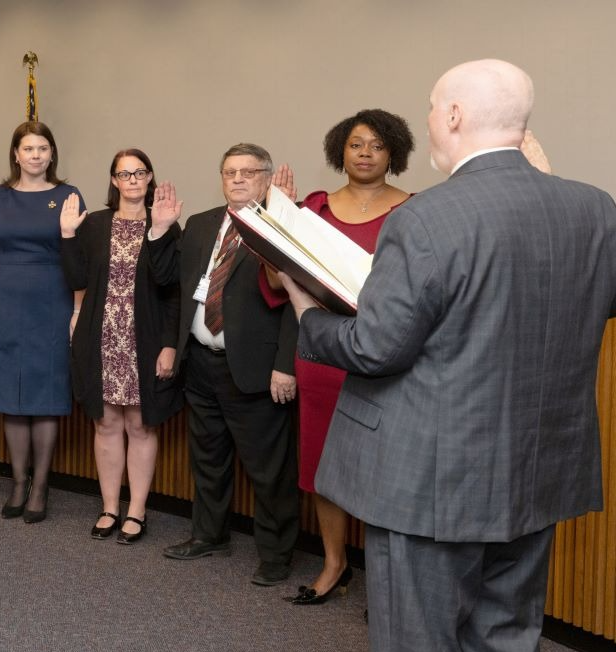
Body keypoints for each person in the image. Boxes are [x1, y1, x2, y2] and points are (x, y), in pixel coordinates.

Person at [273, 59, 616, 652]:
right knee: (509, 638)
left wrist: (306, 314)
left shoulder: (425, 218)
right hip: (537, 470)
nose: (429, 121)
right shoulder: (595, 210)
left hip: (433, 482)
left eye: (432, 108)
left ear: (454, 115)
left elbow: (375, 348)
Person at [262, 110, 414, 605]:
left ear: (394, 153)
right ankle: (334, 564)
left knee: (382, 469)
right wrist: (275, 223)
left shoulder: (415, 212)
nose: (365, 152)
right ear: (339, 151)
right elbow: (274, 285)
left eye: (376, 144)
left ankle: (383, 580)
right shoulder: (315, 209)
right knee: (324, 465)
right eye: (355, 144)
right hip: (322, 358)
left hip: (384, 358)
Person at [147, 143, 300, 585]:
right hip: (200, 363)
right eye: (229, 171)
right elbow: (169, 284)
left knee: (269, 468)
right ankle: (209, 534)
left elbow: (297, 302)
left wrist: (285, 364)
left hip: (257, 368)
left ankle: (276, 554)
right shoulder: (199, 224)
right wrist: (159, 232)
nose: (237, 179)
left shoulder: (282, 226)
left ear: (267, 179)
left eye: (248, 172)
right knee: (208, 458)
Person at [0, 121, 84, 523]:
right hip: (7, 299)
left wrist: (68, 240)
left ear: (51, 153)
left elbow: (78, 253)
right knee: (11, 392)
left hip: (53, 297)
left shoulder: (68, 194)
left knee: (45, 394)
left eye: (43, 148)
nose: (35, 155)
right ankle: (17, 482)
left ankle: (41, 486)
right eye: (28, 148)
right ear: (16, 154)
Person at [59, 148, 183, 544]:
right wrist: (65, 234)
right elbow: (77, 276)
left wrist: (168, 346)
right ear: (113, 180)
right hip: (101, 334)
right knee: (106, 421)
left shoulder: (166, 222)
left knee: (140, 424)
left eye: (139, 172)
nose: (132, 180)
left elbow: (171, 288)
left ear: (150, 178)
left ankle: (137, 511)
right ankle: (110, 506)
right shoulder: (94, 224)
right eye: (124, 174)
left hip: (143, 337)